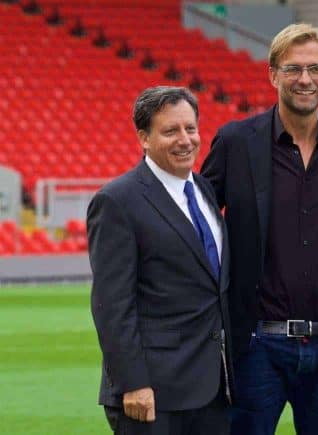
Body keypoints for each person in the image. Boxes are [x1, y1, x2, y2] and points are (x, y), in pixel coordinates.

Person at [201, 23, 318, 435]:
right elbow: (197, 222)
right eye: (293, 69)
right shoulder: (235, 142)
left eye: (316, 68)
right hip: (257, 345)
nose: (305, 79)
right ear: (273, 74)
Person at [87, 86, 232, 435]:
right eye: (170, 131)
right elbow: (111, 304)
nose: (185, 140)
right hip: (153, 393)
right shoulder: (117, 201)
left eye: (191, 128)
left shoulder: (204, 189)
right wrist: (133, 383)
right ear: (144, 138)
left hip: (214, 389)